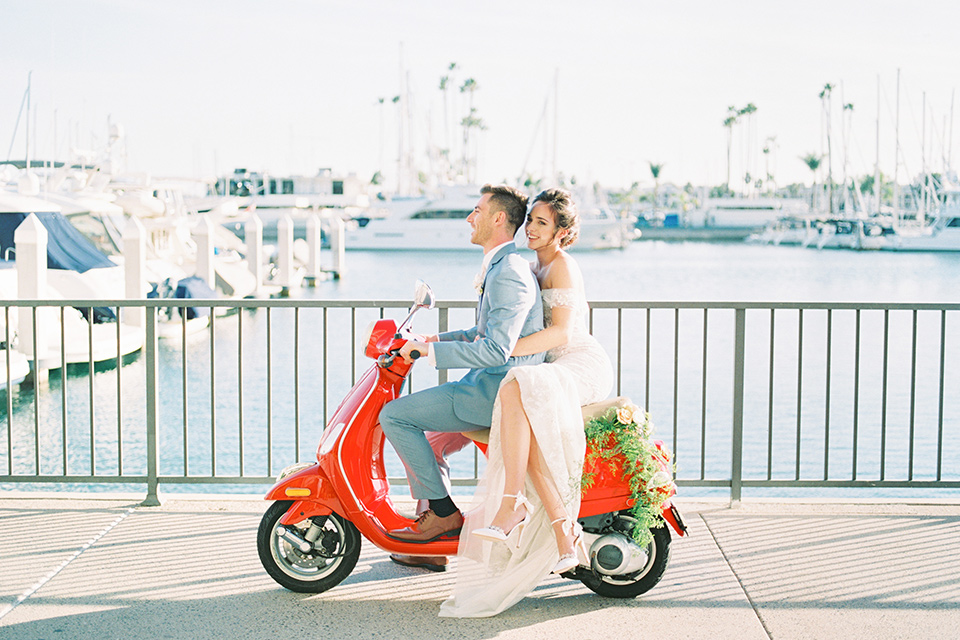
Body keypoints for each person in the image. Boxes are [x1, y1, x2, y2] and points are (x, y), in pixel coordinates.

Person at [439, 188, 613, 618]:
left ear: (562, 232)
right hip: (546, 366)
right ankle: (560, 529)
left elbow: (559, 334)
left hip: (578, 364)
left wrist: (503, 350)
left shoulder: (563, 267)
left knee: (518, 385)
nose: (530, 229)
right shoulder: (530, 265)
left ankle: (513, 503)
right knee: (524, 399)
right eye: (530, 220)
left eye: (541, 223)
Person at [379, 183, 545, 546]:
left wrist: (429, 355)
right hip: (487, 384)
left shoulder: (509, 273)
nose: (470, 218)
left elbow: (496, 350)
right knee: (434, 442)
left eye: (477, 211)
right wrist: (427, 341)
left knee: (394, 416)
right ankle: (431, 537)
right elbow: (480, 331)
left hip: (492, 392)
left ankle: (444, 515)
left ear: (498, 218)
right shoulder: (502, 266)